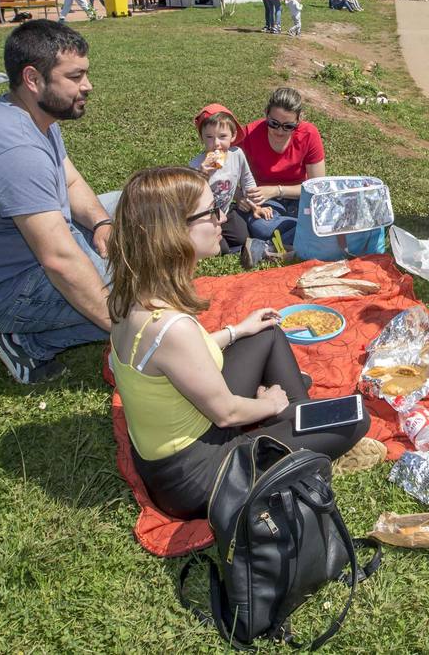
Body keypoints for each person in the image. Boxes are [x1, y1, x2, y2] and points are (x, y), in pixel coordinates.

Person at [106, 166, 374, 519]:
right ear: (174, 232)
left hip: (180, 444)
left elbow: (180, 360)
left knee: (266, 331)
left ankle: (295, 425)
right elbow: (226, 413)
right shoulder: (172, 328)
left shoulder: (131, 298)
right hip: (197, 476)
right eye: (210, 211)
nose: (222, 217)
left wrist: (237, 330)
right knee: (356, 418)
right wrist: (270, 403)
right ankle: (297, 433)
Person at [0, 20, 115, 384]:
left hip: (29, 249)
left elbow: (71, 181)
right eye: (75, 77)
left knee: (145, 213)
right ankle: (26, 341)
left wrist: (102, 224)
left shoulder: (37, 116)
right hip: (4, 290)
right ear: (33, 79)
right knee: (143, 290)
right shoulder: (15, 148)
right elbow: (59, 261)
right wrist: (128, 325)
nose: (87, 86)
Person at [239, 87, 327, 258]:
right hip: (265, 202)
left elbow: (317, 187)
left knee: (264, 228)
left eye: (288, 126)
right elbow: (229, 173)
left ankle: (268, 247)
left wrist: (277, 190)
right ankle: (300, 238)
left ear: (299, 119)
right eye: (273, 124)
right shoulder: (250, 133)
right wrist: (239, 197)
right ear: (266, 114)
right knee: (262, 226)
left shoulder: (309, 134)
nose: (279, 131)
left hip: (299, 198)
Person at [189, 104, 267, 259]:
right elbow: (192, 197)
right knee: (220, 249)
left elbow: (246, 179)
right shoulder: (197, 165)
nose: (216, 143)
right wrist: (204, 173)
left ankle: (230, 241)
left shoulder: (237, 155)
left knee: (242, 238)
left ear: (233, 136)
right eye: (209, 137)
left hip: (226, 210)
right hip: (205, 216)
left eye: (222, 136)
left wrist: (255, 204)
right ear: (202, 138)